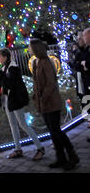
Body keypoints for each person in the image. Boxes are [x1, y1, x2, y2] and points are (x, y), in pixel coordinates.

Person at [29, 38, 79, 170]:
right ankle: (60, 157)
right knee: (52, 131)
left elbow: (50, 83)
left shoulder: (46, 62)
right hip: (43, 103)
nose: (28, 49)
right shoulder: (36, 62)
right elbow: (37, 82)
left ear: (36, 48)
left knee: (57, 131)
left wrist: (43, 97)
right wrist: (36, 96)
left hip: (51, 102)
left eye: (30, 47)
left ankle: (72, 156)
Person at [0, 48, 45, 160]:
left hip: (16, 100)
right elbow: (1, 83)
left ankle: (40, 147)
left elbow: (10, 84)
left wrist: (2, 78)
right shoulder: (4, 69)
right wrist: (2, 79)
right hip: (8, 99)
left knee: (23, 124)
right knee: (13, 125)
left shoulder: (13, 68)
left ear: (5, 57)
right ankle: (18, 149)